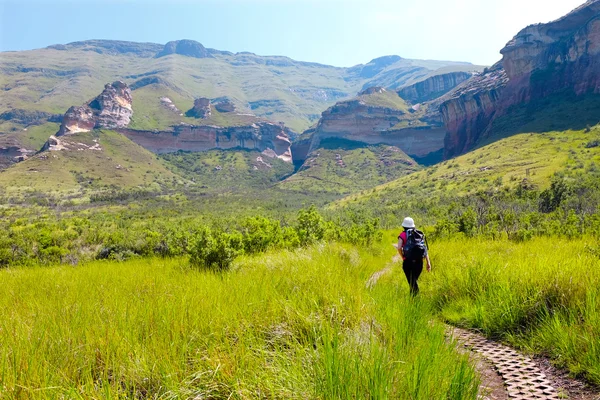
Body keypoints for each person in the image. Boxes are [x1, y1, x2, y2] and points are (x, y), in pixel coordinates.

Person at [397, 217, 431, 296]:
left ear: (404, 226)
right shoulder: (419, 234)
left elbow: (399, 247)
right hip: (419, 263)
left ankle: (416, 299)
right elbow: (424, 249)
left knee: (412, 284)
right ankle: (413, 301)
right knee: (413, 283)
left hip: (408, 262)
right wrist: (428, 263)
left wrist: (402, 257)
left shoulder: (403, 234)